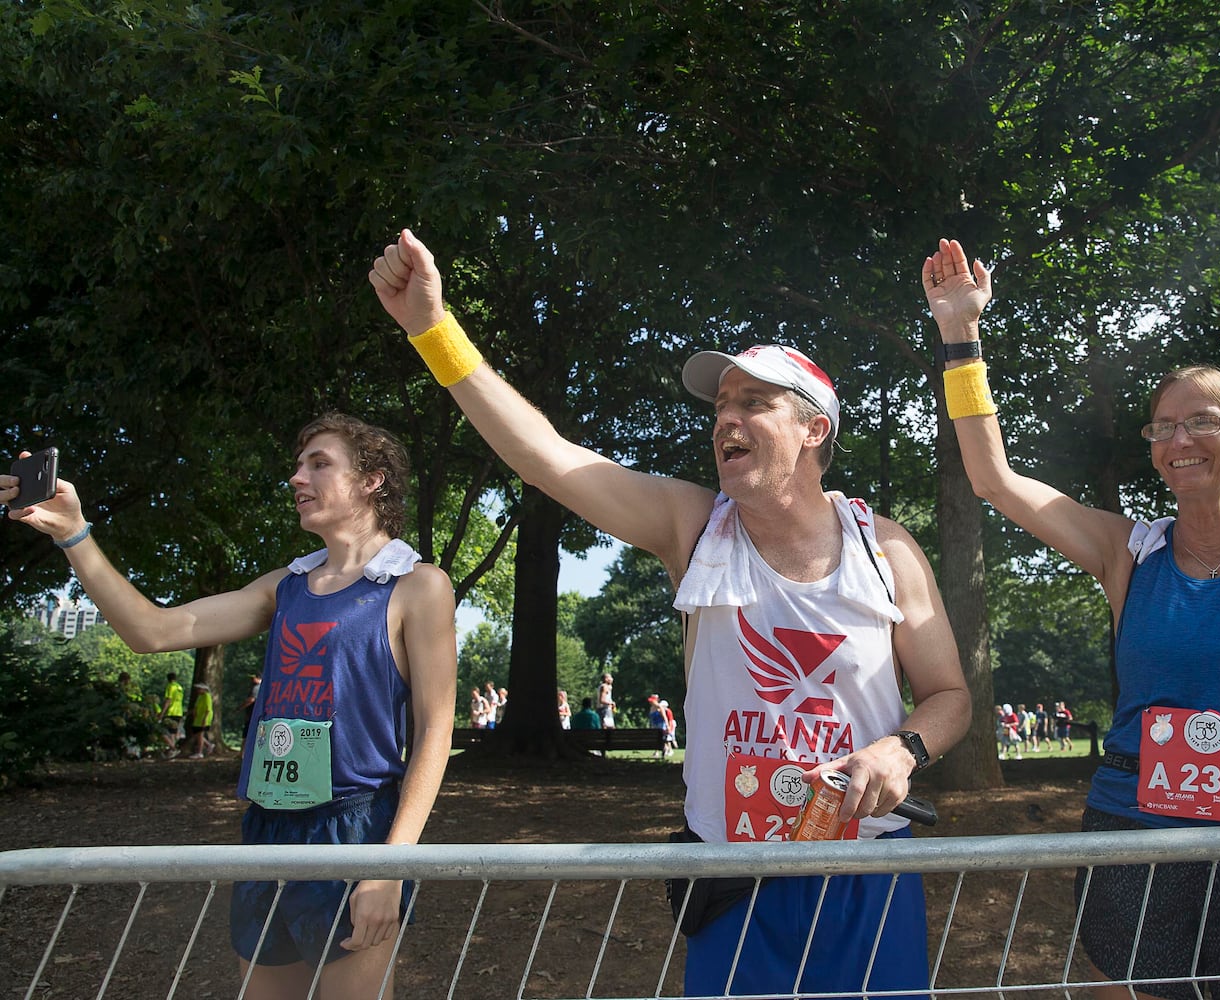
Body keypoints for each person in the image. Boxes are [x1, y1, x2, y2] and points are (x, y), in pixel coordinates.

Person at [370, 230, 970, 1000]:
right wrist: (432, 327)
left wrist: (902, 751)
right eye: (721, 406)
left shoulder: (885, 548)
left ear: (815, 429)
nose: (727, 420)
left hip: (867, 872)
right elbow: (544, 456)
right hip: (730, 874)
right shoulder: (693, 525)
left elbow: (952, 696)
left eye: (755, 403)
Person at [922, 156, 1220, 1000]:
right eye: (1161, 428)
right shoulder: (1129, 553)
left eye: (1202, 422)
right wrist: (961, 338)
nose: (1177, 440)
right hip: (1136, 838)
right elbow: (994, 480)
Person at [2, 413, 458, 998]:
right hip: (266, 830)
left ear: (373, 479)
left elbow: (435, 732)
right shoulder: (282, 587)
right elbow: (152, 631)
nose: (297, 477)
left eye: (319, 463)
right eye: (298, 465)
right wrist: (74, 534)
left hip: (357, 831)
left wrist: (389, 868)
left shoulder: (418, 586)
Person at [186, 681, 216, 758]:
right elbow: (196, 707)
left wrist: (205, 719)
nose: (198, 691)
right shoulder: (200, 697)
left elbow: (208, 709)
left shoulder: (207, 696)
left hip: (203, 718)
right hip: (198, 718)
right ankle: (209, 745)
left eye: (199, 689)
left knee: (200, 735)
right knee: (197, 735)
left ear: (204, 689)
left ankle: (199, 752)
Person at [159, 671, 185, 758]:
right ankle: (172, 752)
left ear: (168, 679)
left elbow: (168, 700)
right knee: (173, 733)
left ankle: (173, 748)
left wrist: (162, 713)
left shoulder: (170, 686)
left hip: (171, 712)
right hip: (179, 712)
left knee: (161, 731)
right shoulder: (179, 687)